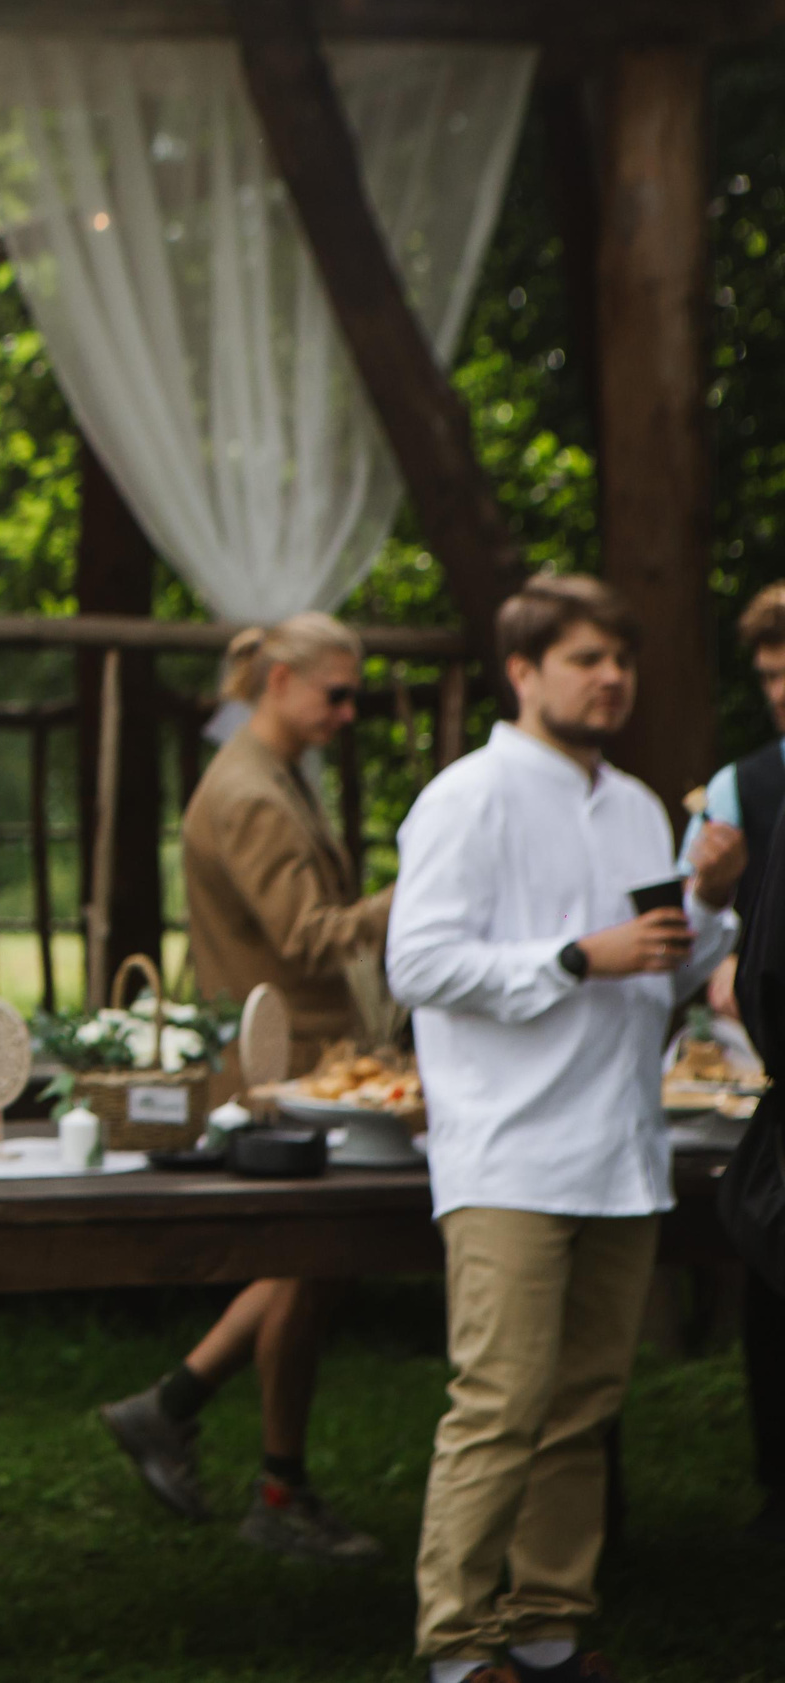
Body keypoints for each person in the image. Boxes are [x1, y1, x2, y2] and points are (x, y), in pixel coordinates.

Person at [388, 573, 746, 1683]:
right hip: (505, 1149)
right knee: (498, 1402)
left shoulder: (638, 804)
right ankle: (455, 1647)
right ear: (523, 671)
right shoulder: (467, 796)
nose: (610, 679)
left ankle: (544, 1630)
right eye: (586, 660)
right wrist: (569, 957)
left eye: (619, 662)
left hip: (618, 1147)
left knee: (582, 1407)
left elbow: (658, 969)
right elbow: (417, 964)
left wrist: (714, 903)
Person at [98, 613, 394, 1561]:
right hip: (290, 1071)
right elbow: (309, 936)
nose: (350, 712)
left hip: (304, 1060)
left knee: (314, 1265)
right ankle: (274, 1488)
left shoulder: (267, 774)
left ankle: (175, 1411)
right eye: (335, 693)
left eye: (355, 694)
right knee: (312, 1264)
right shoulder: (254, 792)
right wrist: (421, 894)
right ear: (276, 678)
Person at [679, 578, 785, 1545]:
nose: (783, 690)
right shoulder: (738, 787)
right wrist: (713, 908)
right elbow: (686, 936)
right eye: (769, 675)